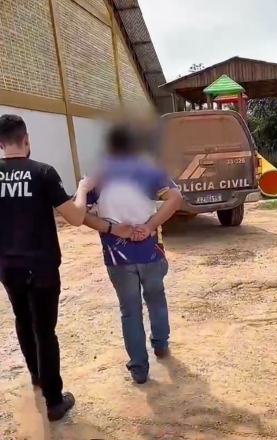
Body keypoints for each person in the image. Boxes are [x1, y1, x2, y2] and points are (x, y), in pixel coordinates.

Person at [0, 114, 93, 421]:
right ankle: (54, 401)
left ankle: (37, 377)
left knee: (23, 321)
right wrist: (83, 188)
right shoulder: (43, 172)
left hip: (8, 266)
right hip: (41, 267)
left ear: (0, 144)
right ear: (26, 139)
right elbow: (75, 217)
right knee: (44, 330)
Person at [82, 123, 182, 384]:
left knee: (130, 311)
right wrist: (149, 226)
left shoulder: (98, 176)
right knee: (156, 299)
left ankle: (139, 369)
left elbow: (81, 213)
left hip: (117, 256)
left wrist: (113, 229)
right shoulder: (150, 171)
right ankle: (161, 345)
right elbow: (175, 198)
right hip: (150, 251)